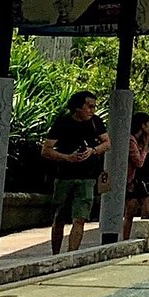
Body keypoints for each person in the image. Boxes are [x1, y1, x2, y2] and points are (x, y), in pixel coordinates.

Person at [42, 90, 111, 254]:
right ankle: (56, 254)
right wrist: (67, 157)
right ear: (78, 107)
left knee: (80, 218)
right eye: (89, 106)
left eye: (94, 107)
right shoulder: (63, 122)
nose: (92, 110)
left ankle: (72, 253)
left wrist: (93, 151)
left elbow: (107, 143)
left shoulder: (96, 122)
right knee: (59, 217)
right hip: (64, 176)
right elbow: (46, 150)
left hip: (87, 177)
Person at [123, 112, 149, 241]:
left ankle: (143, 238)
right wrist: (145, 147)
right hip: (134, 179)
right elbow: (139, 162)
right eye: (147, 124)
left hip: (146, 180)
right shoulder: (132, 141)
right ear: (142, 125)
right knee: (129, 213)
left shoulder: (146, 140)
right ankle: (125, 239)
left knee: (147, 211)